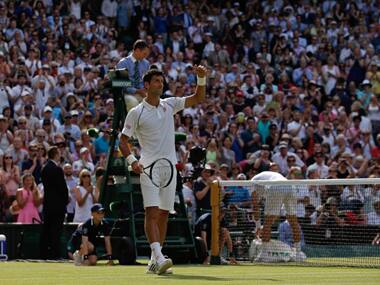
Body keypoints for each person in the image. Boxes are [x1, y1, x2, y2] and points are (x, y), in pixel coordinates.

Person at [119, 65, 207, 275]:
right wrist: (133, 161)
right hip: (148, 168)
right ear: (147, 86)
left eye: (162, 81)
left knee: (165, 214)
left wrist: (201, 78)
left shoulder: (170, 104)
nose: (161, 84)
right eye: (156, 81)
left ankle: (153, 260)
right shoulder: (135, 113)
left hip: (170, 169)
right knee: (152, 212)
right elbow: (122, 142)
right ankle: (159, 256)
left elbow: (197, 98)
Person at [251, 171, 305, 262]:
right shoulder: (264, 178)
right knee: (293, 221)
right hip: (290, 186)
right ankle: (298, 253)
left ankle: (264, 254)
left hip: (276, 186)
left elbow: (255, 206)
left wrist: (258, 226)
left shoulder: (252, 183)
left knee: (267, 222)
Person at [40, 146, 69, 259]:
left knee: (46, 230)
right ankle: (55, 255)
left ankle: (44, 254)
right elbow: (62, 187)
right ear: (55, 154)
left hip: (48, 204)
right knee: (56, 231)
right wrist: (65, 200)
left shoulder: (44, 168)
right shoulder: (57, 169)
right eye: (58, 153)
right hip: (57, 205)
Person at [116, 39, 150, 110]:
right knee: (134, 103)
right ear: (137, 51)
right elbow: (121, 85)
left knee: (155, 103)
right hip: (127, 94)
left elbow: (147, 81)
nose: (145, 56)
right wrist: (137, 91)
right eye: (144, 54)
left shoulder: (146, 63)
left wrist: (146, 90)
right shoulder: (123, 63)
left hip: (142, 93)